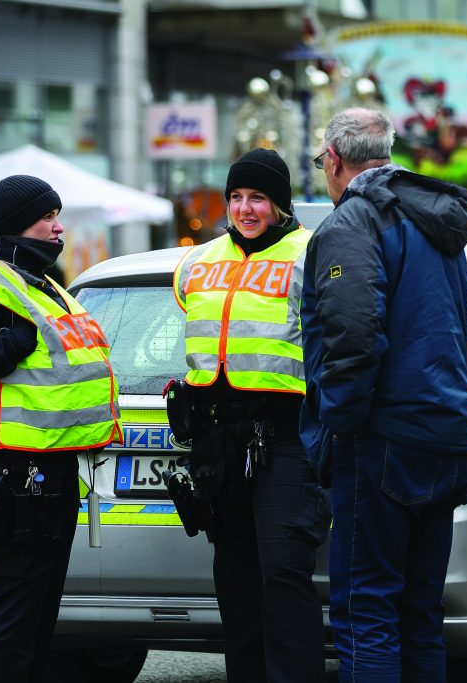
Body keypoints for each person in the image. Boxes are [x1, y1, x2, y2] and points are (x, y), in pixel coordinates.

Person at [300, 107, 467, 681]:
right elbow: (462, 333)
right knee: (419, 614)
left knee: (366, 612)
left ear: (333, 160)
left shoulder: (351, 223)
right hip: (445, 434)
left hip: (381, 442)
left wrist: (341, 425)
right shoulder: (433, 220)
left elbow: (352, 338)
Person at [0, 175, 122, 683]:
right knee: (19, 614)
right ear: (20, 224)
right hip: (15, 471)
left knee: (39, 613)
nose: (59, 227)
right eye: (49, 217)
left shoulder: (42, 283)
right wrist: (15, 341)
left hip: (50, 468)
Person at [171, 148, 329, 683]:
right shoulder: (197, 261)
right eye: (236, 197)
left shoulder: (312, 254)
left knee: (284, 577)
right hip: (218, 440)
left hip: (285, 437)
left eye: (257, 197)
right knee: (234, 581)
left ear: (280, 205)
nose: (244, 209)